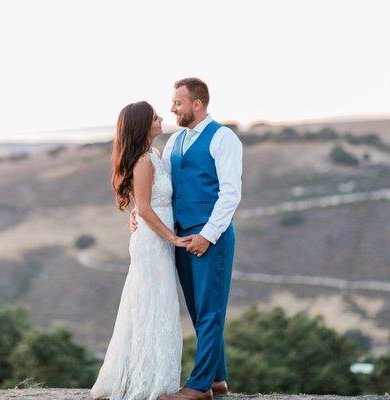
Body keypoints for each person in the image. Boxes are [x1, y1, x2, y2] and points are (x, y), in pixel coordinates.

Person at [131, 78, 243, 400]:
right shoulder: (174, 142)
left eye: (177, 103)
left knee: (210, 311)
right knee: (198, 311)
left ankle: (199, 387)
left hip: (212, 239)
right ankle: (218, 378)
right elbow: (159, 187)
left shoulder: (223, 139)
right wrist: (137, 212)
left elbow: (230, 195)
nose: (172, 108)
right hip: (180, 238)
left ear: (197, 104)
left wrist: (207, 236)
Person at [90, 101, 190, 400]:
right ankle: (149, 382)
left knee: (159, 306)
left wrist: (140, 215)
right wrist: (172, 239)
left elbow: (141, 205)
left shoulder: (155, 155)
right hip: (152, 243)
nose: (161, 118)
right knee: (151, 306)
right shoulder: (144, 162)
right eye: (155, 116)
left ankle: (157, 376)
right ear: (143, 125)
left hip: (155, 240)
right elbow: (145, 209)